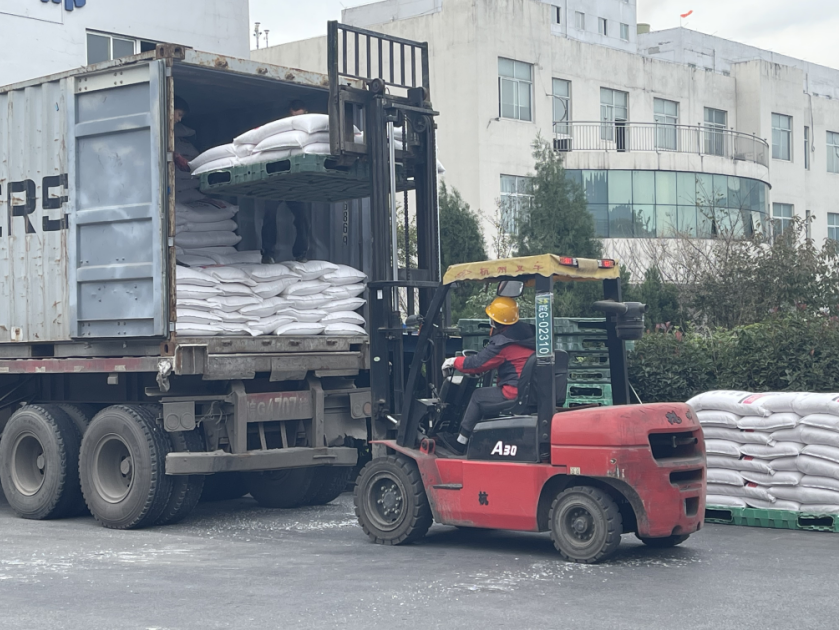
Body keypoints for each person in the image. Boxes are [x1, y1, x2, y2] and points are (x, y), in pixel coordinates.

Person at [439, 297, 535, 455]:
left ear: (496, 322)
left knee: (478, 396)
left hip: (514, 392)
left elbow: (476, 363)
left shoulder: (503, 343)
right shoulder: (526, 337)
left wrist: (453, 361)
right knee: (490, 394)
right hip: (528, 391)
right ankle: (485, 439)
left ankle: (460, 442)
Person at [261, 99, 312, 263]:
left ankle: (301, 253)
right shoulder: (281, 132)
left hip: (294, 183)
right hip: (276, 180)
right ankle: (268, 253)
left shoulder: (309, 133)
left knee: (302, 218)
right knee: (269, 215)